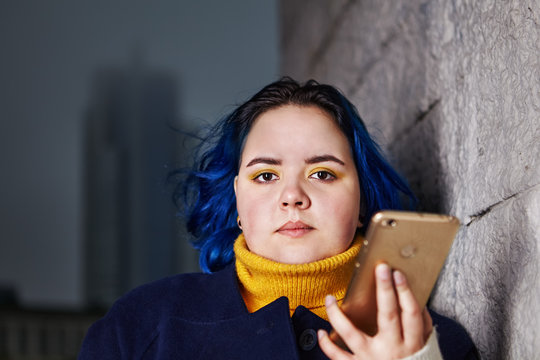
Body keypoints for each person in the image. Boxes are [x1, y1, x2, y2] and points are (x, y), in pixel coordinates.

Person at [79, 78, 477, 359]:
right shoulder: (141, 325)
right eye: (265, 175)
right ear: (237, 199)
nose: (292, 197)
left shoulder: (438, 344)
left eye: (322, 174)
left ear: (361, 203)